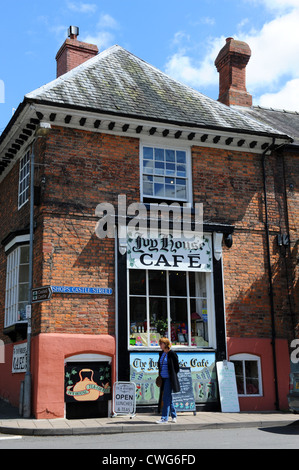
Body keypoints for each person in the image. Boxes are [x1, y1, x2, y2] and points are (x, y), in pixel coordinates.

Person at [156, 337, 180, 424]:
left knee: (165, 397)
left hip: (169, 378)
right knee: (168, 398)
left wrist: (172, 375)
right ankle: (174, 416)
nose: (160, 345)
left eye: (161, 344)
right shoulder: (161, 353)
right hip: (163, 378)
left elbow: (176, 367)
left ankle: (164, 418)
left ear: (166, 344)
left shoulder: (172, 354)